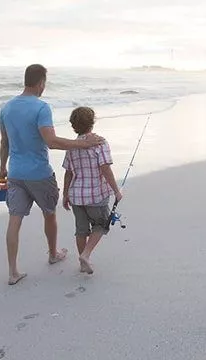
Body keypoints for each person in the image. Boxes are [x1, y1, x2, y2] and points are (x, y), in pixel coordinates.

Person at [0, 64, 103, 285]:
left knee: (14, 220)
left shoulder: (6, 108)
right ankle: (53, 253)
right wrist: (83, 144)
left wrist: (2, 169)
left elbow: (4, 143)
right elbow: (52, 142)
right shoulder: (41, 107)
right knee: (49, 214)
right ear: (41, 83)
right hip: (39, 174)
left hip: (15, 173)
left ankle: (12, 272)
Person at [61, 106, 123, 274]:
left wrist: (65, 194)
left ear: (73, 126)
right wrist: (116, 190)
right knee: (101, 224)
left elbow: (68, 172)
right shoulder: (100, 143)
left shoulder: (71, 146)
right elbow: (105, 168)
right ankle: (86, 255)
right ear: (92, 123)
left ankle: (82, 262)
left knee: (81, 230)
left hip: (76, 196)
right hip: (96, 195)